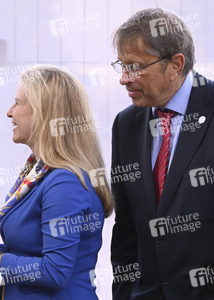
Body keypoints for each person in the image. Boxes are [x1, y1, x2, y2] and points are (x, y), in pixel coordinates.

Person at [0, 65, 114, 299]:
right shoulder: (43, 170)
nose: (9, 112)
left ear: (44, 113)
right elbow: (30, 252)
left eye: (18, 103)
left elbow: (55, 272)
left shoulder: (64, 181)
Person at [110, 8, 214, 300]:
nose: (124, 78)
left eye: (134, 66)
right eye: (121, 65)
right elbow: (126, 228)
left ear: (175, 65)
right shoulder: (126, 124)